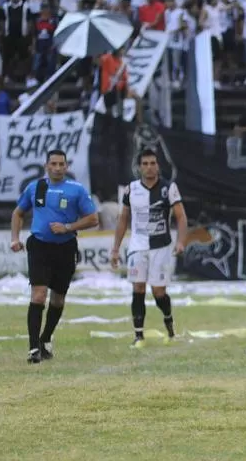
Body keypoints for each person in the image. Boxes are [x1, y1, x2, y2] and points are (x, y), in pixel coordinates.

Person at [10, 149, 100, 363]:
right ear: (46, 166)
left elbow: (93, 219)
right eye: (54, 164)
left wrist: (68, 227)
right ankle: (33, 349)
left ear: (66, 167)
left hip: (65, 248)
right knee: (39, 295)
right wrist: (15, 238)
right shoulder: (35, 187)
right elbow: (18, 213)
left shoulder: (76, 190)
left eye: (62, 164)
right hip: (39, 247)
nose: (58, 168)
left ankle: (46, 338)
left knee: (58, 298)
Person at [111, 149, 187, 346]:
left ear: (158, 166)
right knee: (138, 287)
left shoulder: (168, 188)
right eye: (145, 164)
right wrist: (115, 248)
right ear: (139, 167)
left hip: (161, 246)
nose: (149, 167)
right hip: (138, 245)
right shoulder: (131, 189)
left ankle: (169, 322)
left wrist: (181, 241)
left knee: (158, 292)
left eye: (152, 163)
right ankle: (138, 335)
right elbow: (123, 219)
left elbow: (181, 216)